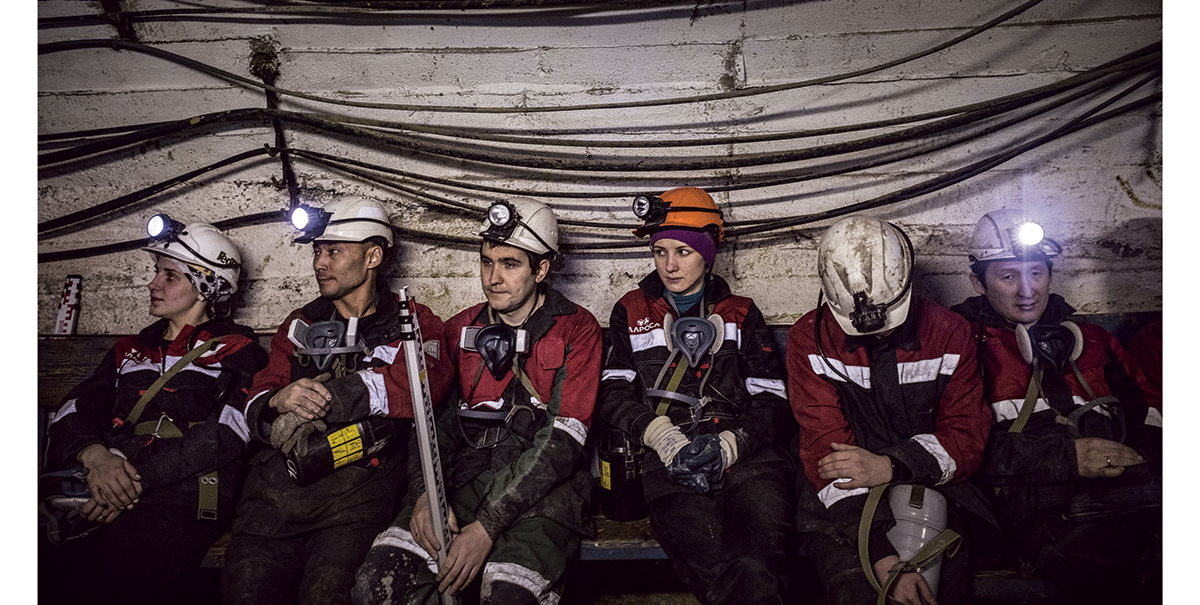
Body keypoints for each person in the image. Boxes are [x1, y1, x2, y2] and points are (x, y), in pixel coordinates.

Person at [352, 197, 602, 605]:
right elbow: (431, 422)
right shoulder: (458, 330)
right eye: (487, 262)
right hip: (460, 481)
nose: (493, 278)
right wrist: (425, 495)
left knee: (509, 596)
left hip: (545, 493)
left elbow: (563, 441)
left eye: (510, 264)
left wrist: (487, 526)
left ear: (541, 269)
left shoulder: (577, 329)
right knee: (379, 585)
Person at [222, 197, 453, 605]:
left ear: (372, 257)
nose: (319, 263)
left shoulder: (412, 323)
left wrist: (330, 398)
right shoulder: (301, 323)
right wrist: (278, 400)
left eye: (333, 251)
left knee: (327, 594)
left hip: (354, 502)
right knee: (247, 592)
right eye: (317, 251)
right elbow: (259, 390)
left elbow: (424, 384)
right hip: (273, 502)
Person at [41, 216, 268, 601]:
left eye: (169, 276)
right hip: (107, 480)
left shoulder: (236, 351)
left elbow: (228, 433)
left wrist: (131, 482)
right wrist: (96, 458)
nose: (153, 284)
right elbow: (74, 408)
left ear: (205, 286)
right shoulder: (130, 350)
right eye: (156, 272)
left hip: (183, 496)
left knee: (108, 576)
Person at [786, 215, 1001, 605]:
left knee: (938, 590)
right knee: (861, 592)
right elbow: (825, 453)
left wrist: (890, 465)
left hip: (938, 488)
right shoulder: (809, 340)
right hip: (841, 507)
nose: (880, 333)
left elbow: (967, 436)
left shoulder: (949, 332)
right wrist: (881, 554)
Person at [949, 208, 1161, 602]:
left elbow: (1148, 417)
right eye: (1008, 277)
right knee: (1108, 568)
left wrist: (1144, 461)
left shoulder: (1093, 340)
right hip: (1037, 509)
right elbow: (957, 447)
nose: (1027, 291)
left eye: (1036, 273)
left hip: (1127, 493)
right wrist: (1068, 458)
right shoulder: (960, 347)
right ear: (978, 281)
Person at [598, 187, 795, 605]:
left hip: (749, 463)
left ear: (708, 254)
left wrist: (732, 444)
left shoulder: (741, 312)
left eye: (683, 252)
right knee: (718, 558)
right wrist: (661, 436)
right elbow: (613, 393)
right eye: (660, 252)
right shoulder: (630, 310)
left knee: (750, 562)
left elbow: (773, 399)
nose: (669, 265)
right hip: (670, 465)